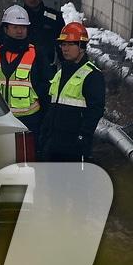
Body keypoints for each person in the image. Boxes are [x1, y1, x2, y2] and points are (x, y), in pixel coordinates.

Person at [40, 22, 105, 162]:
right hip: (53, 145)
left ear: (81, 47)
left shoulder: (93, 75)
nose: (65, 49)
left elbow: (95, 111)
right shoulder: (60, 72)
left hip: (74, 148)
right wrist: (44, 134)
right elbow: (53, 107)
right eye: (63, 44)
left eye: (70, 44)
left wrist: (83, 137)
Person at [0, 5, 49, 134]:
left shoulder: (37, 53)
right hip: (0, 119)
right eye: (15, 27)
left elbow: (45, 88)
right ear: (6, 29)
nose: (20, 31)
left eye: (23, 27)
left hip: (29, 121)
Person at [20, 0, 65, 67]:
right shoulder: (15, 17)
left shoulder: (55, 17)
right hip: (20, 68)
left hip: (47, 70)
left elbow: (64, 46)